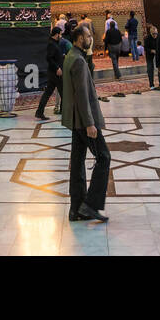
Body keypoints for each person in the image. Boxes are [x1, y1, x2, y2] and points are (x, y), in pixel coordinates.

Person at [62, 23, 110, 222]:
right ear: (80, 38)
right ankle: (90, 205)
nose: (91, 38)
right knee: (104, 157)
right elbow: (82, 95)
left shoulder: (71, 56)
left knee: (78, 162)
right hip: (84, 120)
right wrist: (90, 123)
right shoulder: (79, 61)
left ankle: (76, 209)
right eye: (88, 36)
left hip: (75, 119)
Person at [34, 24, 65, 121]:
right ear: (56, 34)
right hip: (56, 74)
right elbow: (49, 58)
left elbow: (54, 57)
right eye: (60, 34)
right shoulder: (52, 44)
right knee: (64, 93)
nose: (61, 36)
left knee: (48, 93)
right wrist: (57, 68)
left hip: (53, 74)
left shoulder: (54, 43)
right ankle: (65, 113)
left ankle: (39, 112)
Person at [143, 23, 160, 89]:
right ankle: (151, 85)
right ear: (150, 33)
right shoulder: (147, 38)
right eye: (153, 34)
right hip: (149, 54)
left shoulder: (159, 37)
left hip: (158, 53)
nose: (155, 35)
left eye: (156, 33)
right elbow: (145, 48)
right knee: (150, 68)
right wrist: (151, 50)